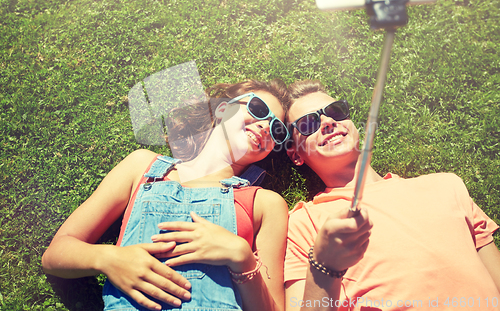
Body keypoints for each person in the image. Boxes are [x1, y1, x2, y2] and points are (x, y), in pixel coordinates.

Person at [42, 79, 290, 311]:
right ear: (223, 109)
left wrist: (243, 258)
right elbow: (56, 254)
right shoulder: (143, 167)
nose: (265, 126)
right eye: (258, 109)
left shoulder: (265, 203)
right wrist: (109, 259)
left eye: (277, 129)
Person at [283, 79, 500, 311]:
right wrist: (324, 266)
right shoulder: (304, 222)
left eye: (335, 111)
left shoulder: (447, 185)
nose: (328, 122)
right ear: (296, 155)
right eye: (307, 124)